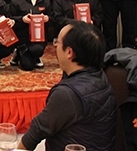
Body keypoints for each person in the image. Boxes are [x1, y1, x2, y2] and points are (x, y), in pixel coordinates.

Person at [17, 21, 116, 151]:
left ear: (69, 52)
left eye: (57, 42)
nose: (55, 46)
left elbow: (36, 132)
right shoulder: (101, 76)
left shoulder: (68, 94)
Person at [10, 0, 51, 71]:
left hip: (39, 38)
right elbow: (10, 19)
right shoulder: (16, 1)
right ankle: (18, 53)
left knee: (37, 50)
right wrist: (22, 19)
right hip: (23, 38)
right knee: (28, 67)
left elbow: (53, 18)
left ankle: (36, 56)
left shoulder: (45, 1)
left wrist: (48, 18)